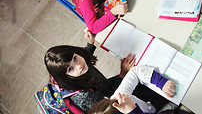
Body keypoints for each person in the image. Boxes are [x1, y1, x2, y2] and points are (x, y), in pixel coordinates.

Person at [44, 30, 176, 113]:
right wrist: (122, 75)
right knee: (165, 94)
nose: (79, 65)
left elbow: (83, 56)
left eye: (75, 58)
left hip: (109, 89)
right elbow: (111, 100)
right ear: (66, 76)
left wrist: (90, 44)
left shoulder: (80, 64)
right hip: (110, 94)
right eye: (70, 68)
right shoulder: (85, 98)